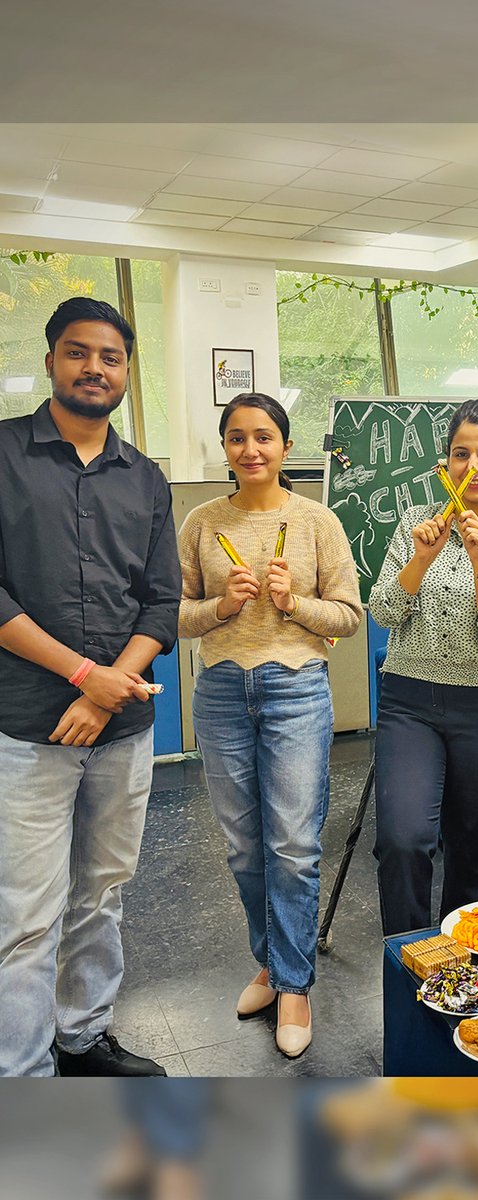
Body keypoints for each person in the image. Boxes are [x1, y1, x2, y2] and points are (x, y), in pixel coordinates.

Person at [0, 297, 181, 1077]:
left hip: (120, 732)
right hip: (27, 724)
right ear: (50, 360)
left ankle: (83, 1034)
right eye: (78, 353)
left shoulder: (143, 477)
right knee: (26, 916)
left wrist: (111, 686)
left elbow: (161, 598)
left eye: (110, 358)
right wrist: (83, 676)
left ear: (126, 372)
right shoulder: (4, 455)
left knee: (102, 892)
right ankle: (23, 1075)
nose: (94, 368)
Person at [178, 393, 361, 1058]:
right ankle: (272, 961)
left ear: (285, 447)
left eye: (263, 437)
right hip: (222, 689)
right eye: (236, 437)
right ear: (224, 448)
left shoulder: (317, 522)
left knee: (291, 845)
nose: (250, 449)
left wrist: (295, 603)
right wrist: (221, 607)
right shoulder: (202, 522)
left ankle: (293, 986)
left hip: (295, 689)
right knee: (244, 848)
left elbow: (348, 616)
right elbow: (177, 613)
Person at [369, 399, 478, 936]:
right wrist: (422, 558)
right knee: (403, 839)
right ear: (444, 463)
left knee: (471, 847)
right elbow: (381, 610)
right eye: (459, 453)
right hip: (410, 702)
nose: (472, 466)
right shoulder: (413, 527)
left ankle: (465, 966)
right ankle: (407, 959)